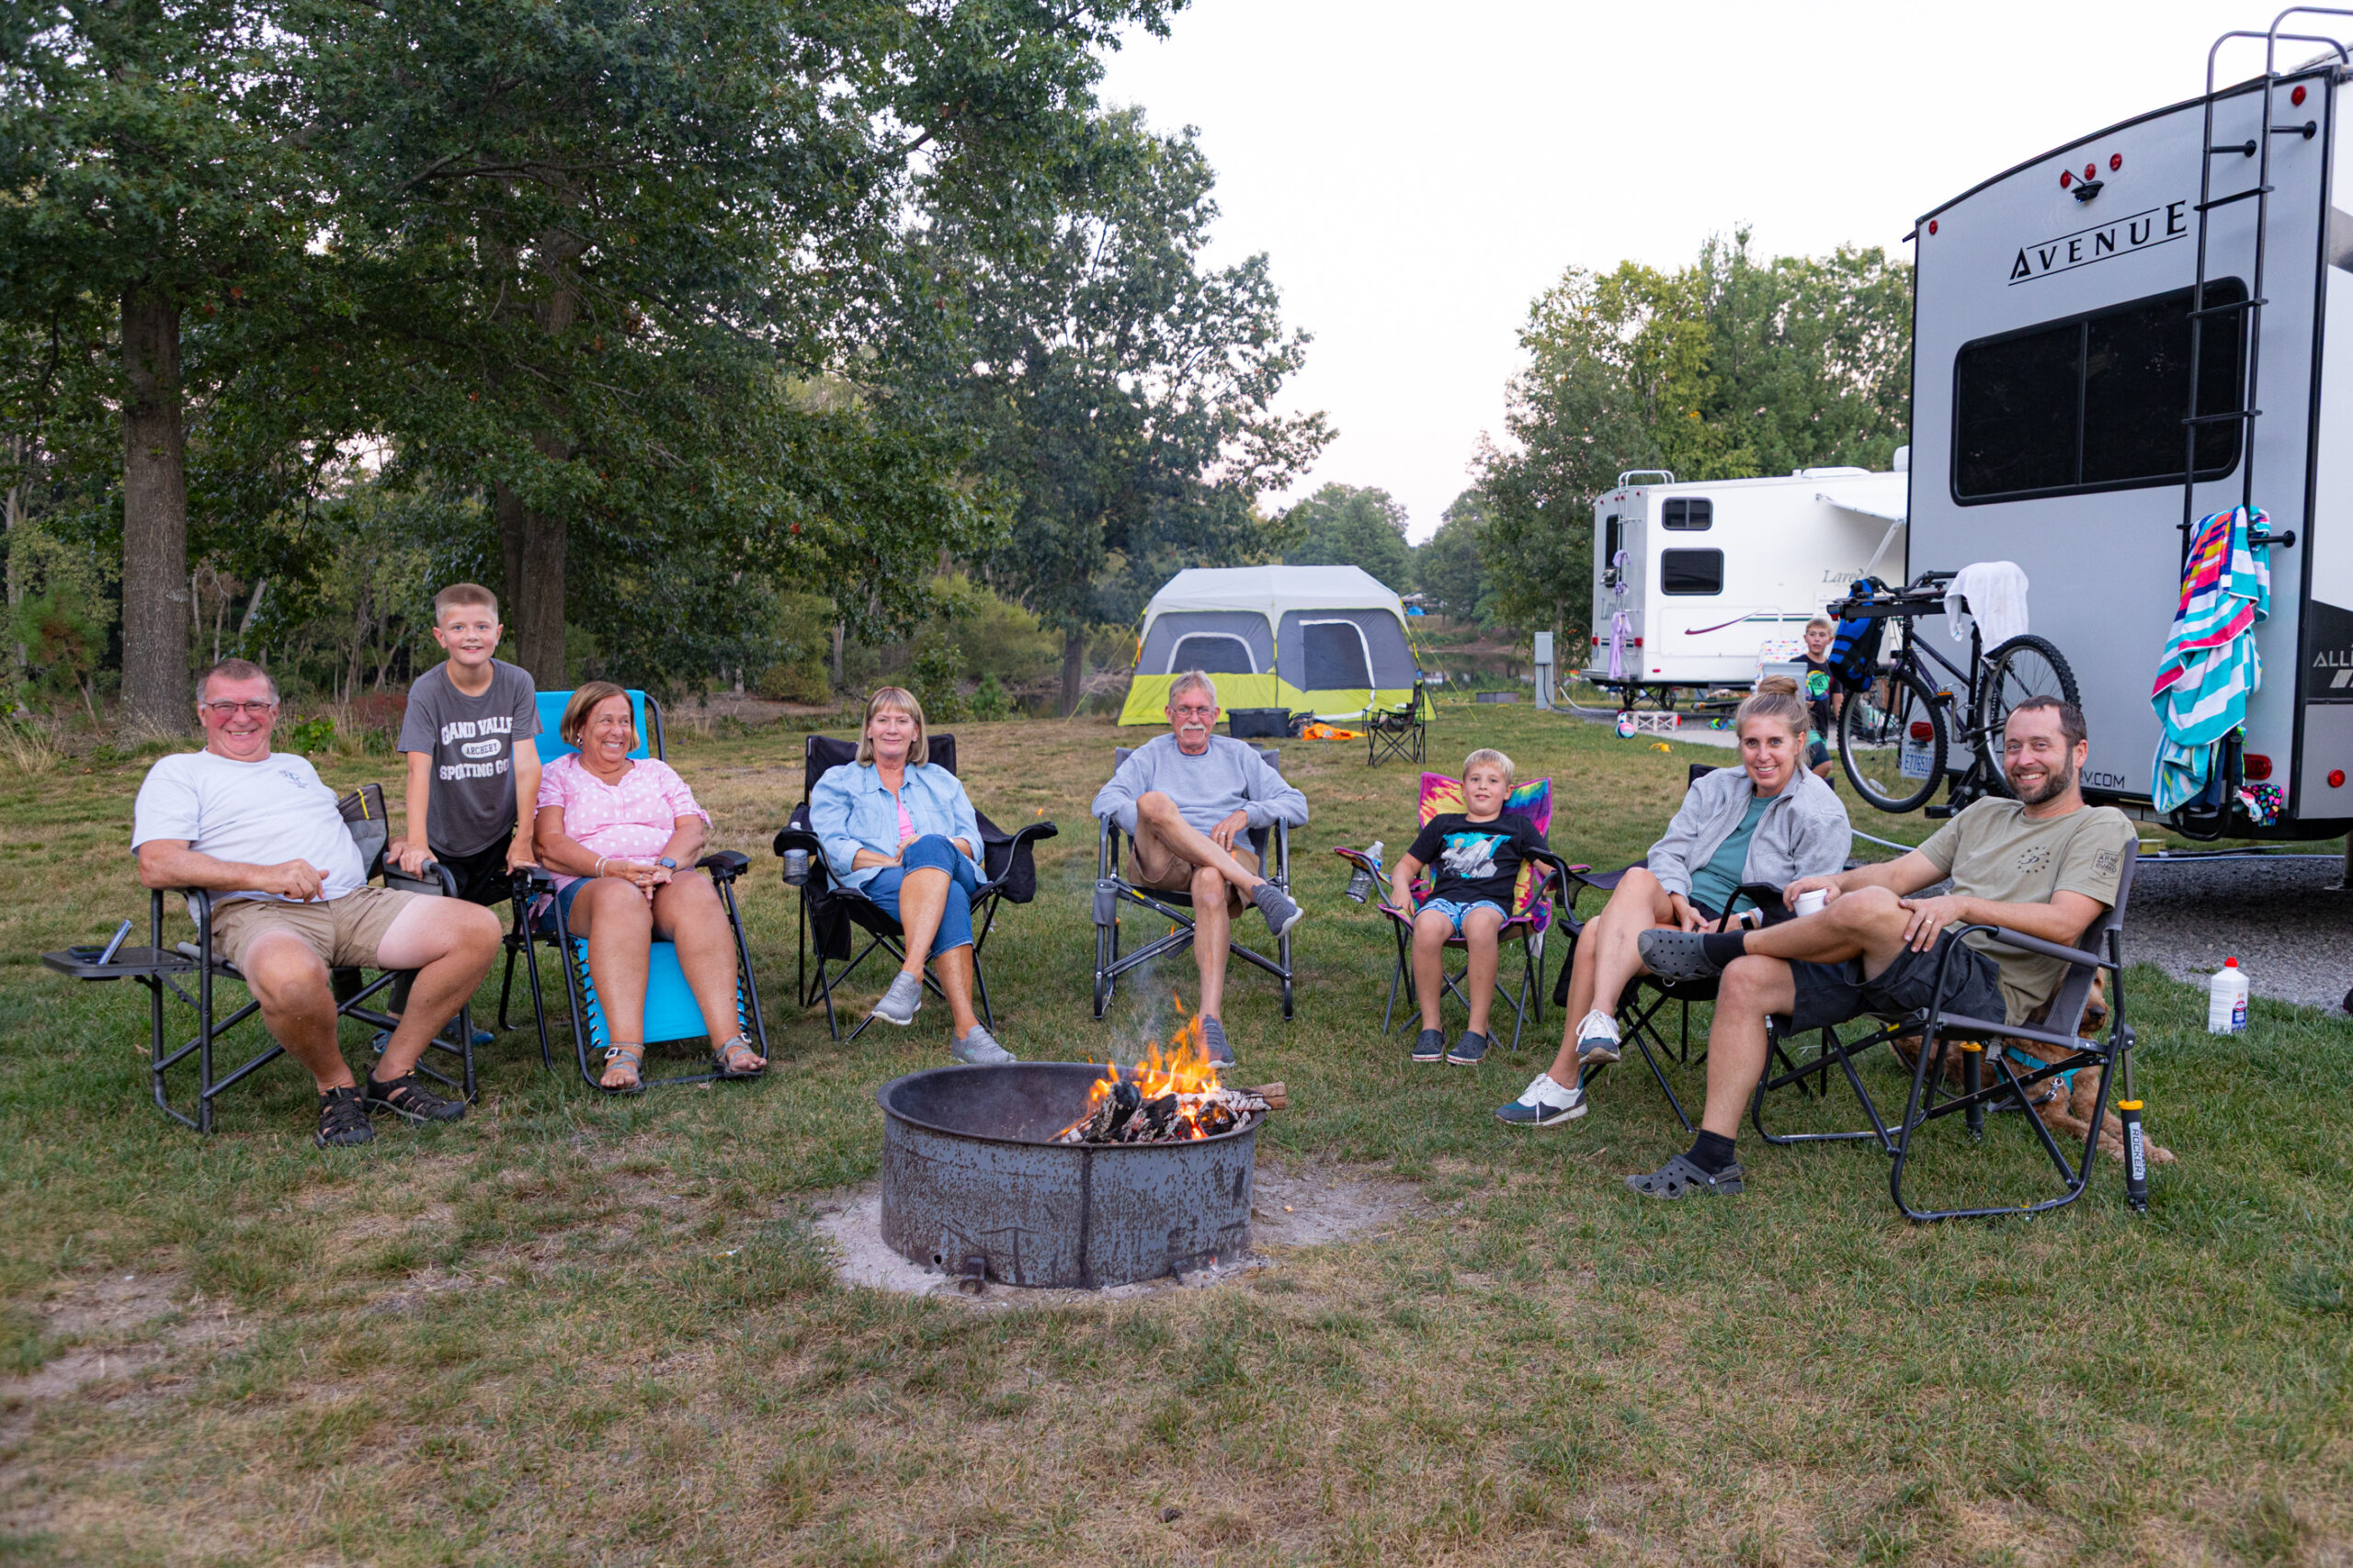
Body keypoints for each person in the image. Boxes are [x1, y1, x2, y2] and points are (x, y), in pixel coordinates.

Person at [1620, 696, 2134, 1198]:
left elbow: (2067, 923)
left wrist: (1963, 907)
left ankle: (1716, 949)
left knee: (1866, 908)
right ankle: (1712, 1160)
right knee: (1749, 978)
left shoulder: (2099, 825)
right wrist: (1833, 883)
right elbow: (1897, 874)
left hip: (1986, 985)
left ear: (2079, 752)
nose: (2022, 760)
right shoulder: (1984, 813)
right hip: (1909, 961)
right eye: (2013, 745)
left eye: (2039, 746)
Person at [131, 659, 505, 1147]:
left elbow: (330, 829)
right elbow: (157, 864)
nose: (241, 716)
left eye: (255, 705)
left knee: (477, 929)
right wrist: (267, 876)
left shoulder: (297, 767)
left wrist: (390, 846)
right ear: (202, 712)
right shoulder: (178, 772)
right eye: (225, 705)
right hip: (255, 910)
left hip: (353, 902)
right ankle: (336, 1085)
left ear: (275, 710)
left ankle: (393, 1072)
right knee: (291, 979)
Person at [1495, 677, 1849, 1128]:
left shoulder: (1821, 813)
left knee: (1597, 932)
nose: (1762, 756)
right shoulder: (1717, 787)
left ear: (1800, 742)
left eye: (1775, 743)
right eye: (1751, 743)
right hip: (1681, 912)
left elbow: (1806, 907)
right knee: (1641, 877)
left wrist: (1735, 924)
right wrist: (1680, 901)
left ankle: (1565, 1080)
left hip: (1747, 936)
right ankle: (1601, 1019)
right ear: (1739, 743)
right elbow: (1669, 850)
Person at [533, 683, 763, 1092]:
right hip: (587, 887)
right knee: (620, 897)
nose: (617, 730)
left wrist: (665, 867)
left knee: (696, 891)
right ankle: (624, 1051)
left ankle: (730, 1042)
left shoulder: (658, 772)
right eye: (605, 720)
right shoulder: (555, 774)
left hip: (662, 878)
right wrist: (611, 869)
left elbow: (692, 829)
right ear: (579, 726)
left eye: (625, 721)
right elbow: (548, 845)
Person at [1091, 670, 1309, 1067]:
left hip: (1225, 861)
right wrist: (1160, 829)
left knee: (1210, 877)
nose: (1194, 718)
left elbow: (1296, 805)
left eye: (1202, 710)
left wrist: (1247, 812)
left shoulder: (1239, 755)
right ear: (1170, 714)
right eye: (1185, 710)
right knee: (1153, 803)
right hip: (1163, 864)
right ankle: (1258, 887)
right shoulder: (1150, 754)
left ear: (1216, 714)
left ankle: (1209, 1021)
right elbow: (1105, 800)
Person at [809, 687, 1010, 1063]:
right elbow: (835, 848)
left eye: (902, 721)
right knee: (946, 892)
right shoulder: (839, 781)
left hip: (954, 868)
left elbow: (973, 843)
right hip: (876, 881)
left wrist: (929, 850)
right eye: (882, 720)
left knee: (931, 846)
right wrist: (902, 865)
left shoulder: (942, 781)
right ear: (868, 729)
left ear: (916, 732)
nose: (892, 729)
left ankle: (910, 974)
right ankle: (967, 1032)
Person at [1392, 748, 1548, 1067]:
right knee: (1426, 925)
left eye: (1492, 781)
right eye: (1475, 779)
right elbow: (1405, 867)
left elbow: (1549, 867)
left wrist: (1557, 879)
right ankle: (1431, 1026)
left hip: (1490, 905)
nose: (1482, 786)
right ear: (1461, 788)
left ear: (1507, 792)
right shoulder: (1442, 825)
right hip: (1444, 901)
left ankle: (1478, 1030)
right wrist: (1399, 888)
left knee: (1479, 925)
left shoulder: (1518, 826)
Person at [389, 584, 540, 902]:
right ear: (440, 636)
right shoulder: (426, 691)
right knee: (443, 923)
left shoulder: (517, 683)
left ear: (497, 633)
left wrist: (524, 837)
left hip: (499, 828)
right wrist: (417, 841)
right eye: (458, 627)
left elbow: (526, 764)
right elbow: (417, 770)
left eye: (482, 627)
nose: (471, 636)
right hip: (444, 833)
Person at [1798, 615, 1844, 781]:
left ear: (1830, 639)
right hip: (1801, 727)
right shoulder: (1797, 664)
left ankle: (1800, 798)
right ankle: (1803, 792)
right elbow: (1785, 696)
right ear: (1805, 638)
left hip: (1822, 728)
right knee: (1824, 764)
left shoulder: (1833, 668)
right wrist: (1801, 704)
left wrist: (1842, 728)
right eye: (1812, 634)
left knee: (1806, 769)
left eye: (1822, 635)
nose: (1816, 639)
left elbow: (1838, 701)